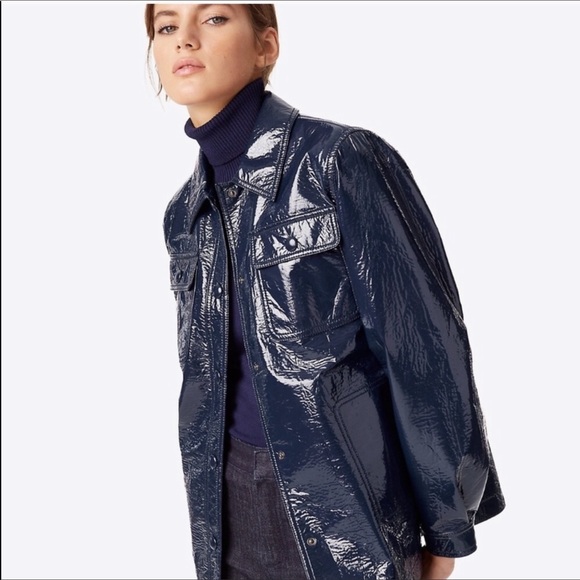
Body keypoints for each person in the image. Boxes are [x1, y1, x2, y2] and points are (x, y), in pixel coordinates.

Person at [145, 4, 505, 580]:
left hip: (347, 504)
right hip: (224, 499)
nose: (184, 39)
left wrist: (447, 526)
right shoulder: (184, 215)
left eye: (212, 18)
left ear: (266, 46)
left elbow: (423, 348)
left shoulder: (339, 161)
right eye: (166, 26)